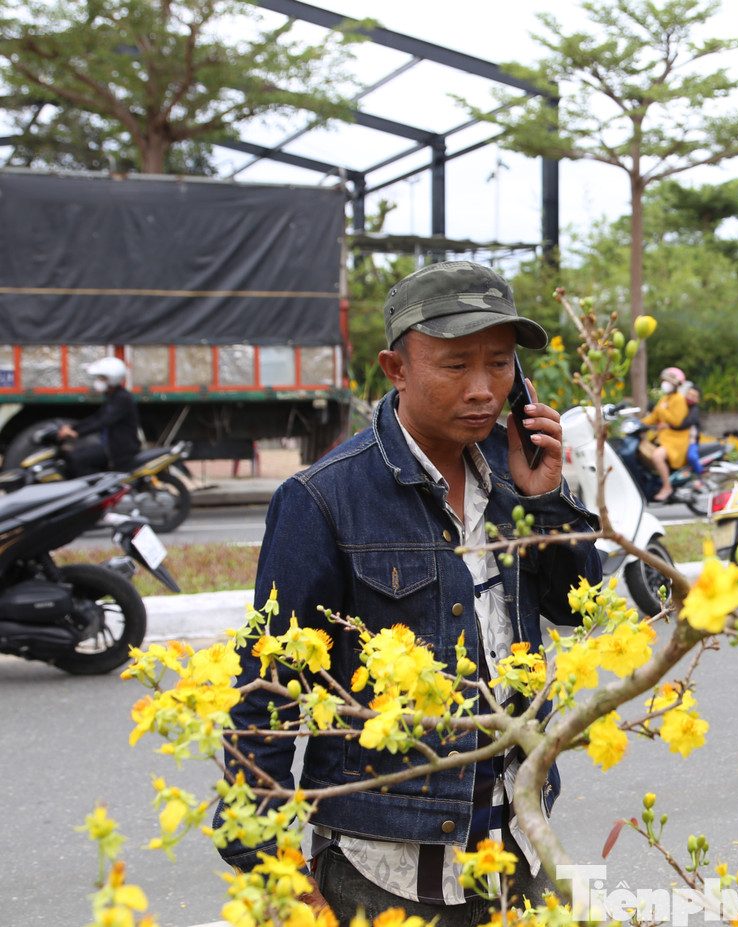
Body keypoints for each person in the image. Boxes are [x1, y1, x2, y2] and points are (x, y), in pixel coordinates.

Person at [217, 261, 602, 926]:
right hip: (383, 874)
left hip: (518, 851)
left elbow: (575, 606)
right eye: (455, 365)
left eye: (501, 364)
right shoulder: (322, 500)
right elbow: (267, 694)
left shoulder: (516, 483)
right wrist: (276, 873)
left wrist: (549, 502)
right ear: (395, 368)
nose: (484, 389)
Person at [55, 356, 140, 475]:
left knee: (77, 459)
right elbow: (96, 417)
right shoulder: (112, 396)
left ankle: (98, 489)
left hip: (119, 450)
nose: (99, 381)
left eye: (102, 378)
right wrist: (73, 428)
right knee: (72, 455)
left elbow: (104, 421)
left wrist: (77, 433)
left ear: (112, 378)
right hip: (108, 445)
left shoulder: (122, 398)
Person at [639, 366, 691, 501]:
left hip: (676, 441)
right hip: (665, 438)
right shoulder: (664, 399)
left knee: (657, 456)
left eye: (668, 381)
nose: (665, 384)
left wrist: (663, 411)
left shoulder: (679, 399)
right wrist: (639, 423)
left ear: (676, 384)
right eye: (664, 381)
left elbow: (677, 421)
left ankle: (667, 487)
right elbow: (652, 418)